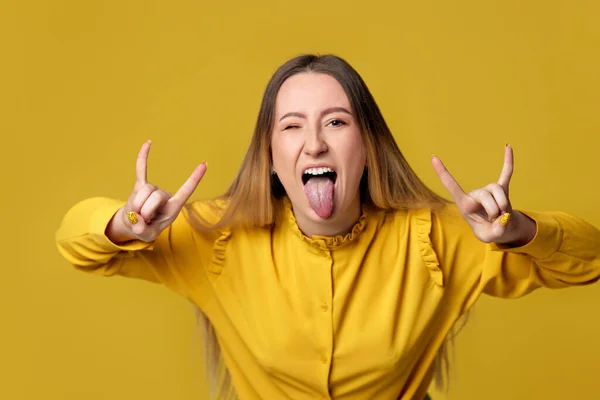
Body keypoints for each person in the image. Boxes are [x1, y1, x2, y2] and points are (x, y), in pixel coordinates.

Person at [55, 54, 600, 400]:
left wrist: (521, 231)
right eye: (292, 126)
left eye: (335, 123)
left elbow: (591, 260)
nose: (314, 143)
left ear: (367, 147)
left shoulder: (438, 238)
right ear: (271, 156)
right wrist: (127, 227)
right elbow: (74, 241)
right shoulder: (216, 238)